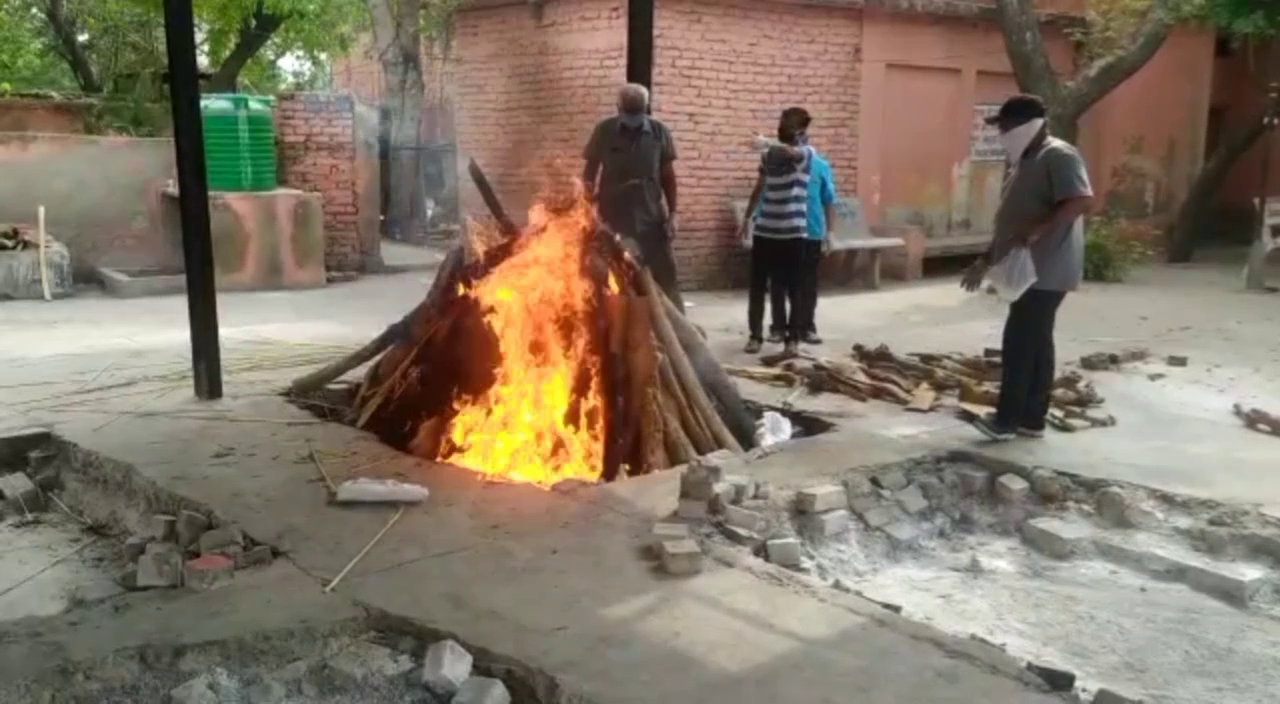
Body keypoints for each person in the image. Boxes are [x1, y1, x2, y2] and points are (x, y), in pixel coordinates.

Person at [961, 94, 1094, 441]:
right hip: (1028, 267)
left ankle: (1006, 421)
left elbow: (1080, 200)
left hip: (1047, 267)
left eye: (1005, 126)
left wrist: (1039, 229)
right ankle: (1031, 418)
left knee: (1020, 341)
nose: (1002, 133)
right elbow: (1011, 219)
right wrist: (986, 259)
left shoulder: (1059, 155)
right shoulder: (1026, 158)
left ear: (1027, 125)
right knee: (1036, 341)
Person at [582, 83, 684, 310]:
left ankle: (676, 330)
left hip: (651, 218)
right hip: (612, 219)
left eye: (637, 113)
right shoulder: (604, 131)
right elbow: (589, 172)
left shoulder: (659, 132)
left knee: (665, 275)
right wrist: (586, 207)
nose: (632, 118)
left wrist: (673, 214)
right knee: (614, 276)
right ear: (618, 108)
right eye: (628, 113)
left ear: (646, 108)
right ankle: (620, 331)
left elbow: (668, 176)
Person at [737, 107, 815, 355]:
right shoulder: (768, 155)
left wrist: (766, 143)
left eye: (787, 122)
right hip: (765, 231)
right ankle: (755, 336)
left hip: (793, 233)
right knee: (758, 286)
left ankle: (792, 339)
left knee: (794, 288)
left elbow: (791, 152)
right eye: (782, 121)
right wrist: (747, 217)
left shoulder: (806, 153)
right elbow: (760, 186)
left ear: (801, 129)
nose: (782, 126)